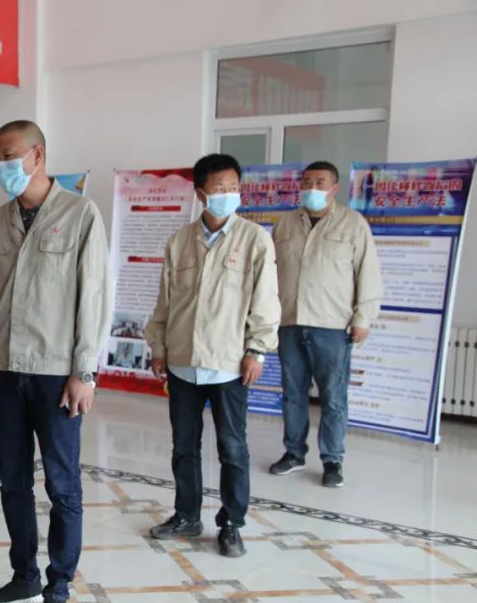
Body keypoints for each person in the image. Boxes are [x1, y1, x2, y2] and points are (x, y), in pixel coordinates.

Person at [0, 120, 111, 603]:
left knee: (62, 485)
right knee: (12, 481)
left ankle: (58, 589)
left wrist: (84, 372)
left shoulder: (80, 214)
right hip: (5, 372)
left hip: (57, 372)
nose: (2, 166)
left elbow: (93, 297)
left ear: (37, 155)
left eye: (9, 155)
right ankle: (24, 577)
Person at [145, 154, 280, 558]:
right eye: (220, 189)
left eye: (234, 188)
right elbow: (165, 302)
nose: (228, 195)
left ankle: (232, 523)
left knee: (233, 449)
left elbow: (266, 301)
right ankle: (187, 515)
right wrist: (158, 348)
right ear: (201, 194)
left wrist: (257, 350)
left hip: (229, 364)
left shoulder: (255, 240)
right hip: (183, 362)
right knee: (183, 447)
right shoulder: (180, 242)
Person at [269, 161, 383, 488]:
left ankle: (332, 460)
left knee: (333, 398)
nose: (312, 188)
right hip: (290, 322)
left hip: (332, 326)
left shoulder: (352, 224)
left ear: (334, 188)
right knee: (293, 394)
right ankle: (294, 453)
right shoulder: (285, 224)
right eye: (306, 181)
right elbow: (270, 274)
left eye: (320, 182)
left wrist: (363, 318)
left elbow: (368, 274)